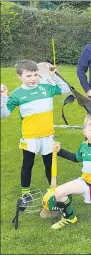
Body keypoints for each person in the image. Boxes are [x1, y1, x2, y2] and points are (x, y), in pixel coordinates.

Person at [1, 60, 70, 196]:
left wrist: (54, 75)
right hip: (30, 136)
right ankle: (25, 193)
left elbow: (66, 89)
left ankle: (52, 191)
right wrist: (3, 97)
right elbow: (3, 114)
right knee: (28, 165)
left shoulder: (45, 88)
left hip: (47, 135)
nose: (33, 79)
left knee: (49, 164)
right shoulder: (16, 94)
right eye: (29, 76)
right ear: (19, 77)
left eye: (36, 75)